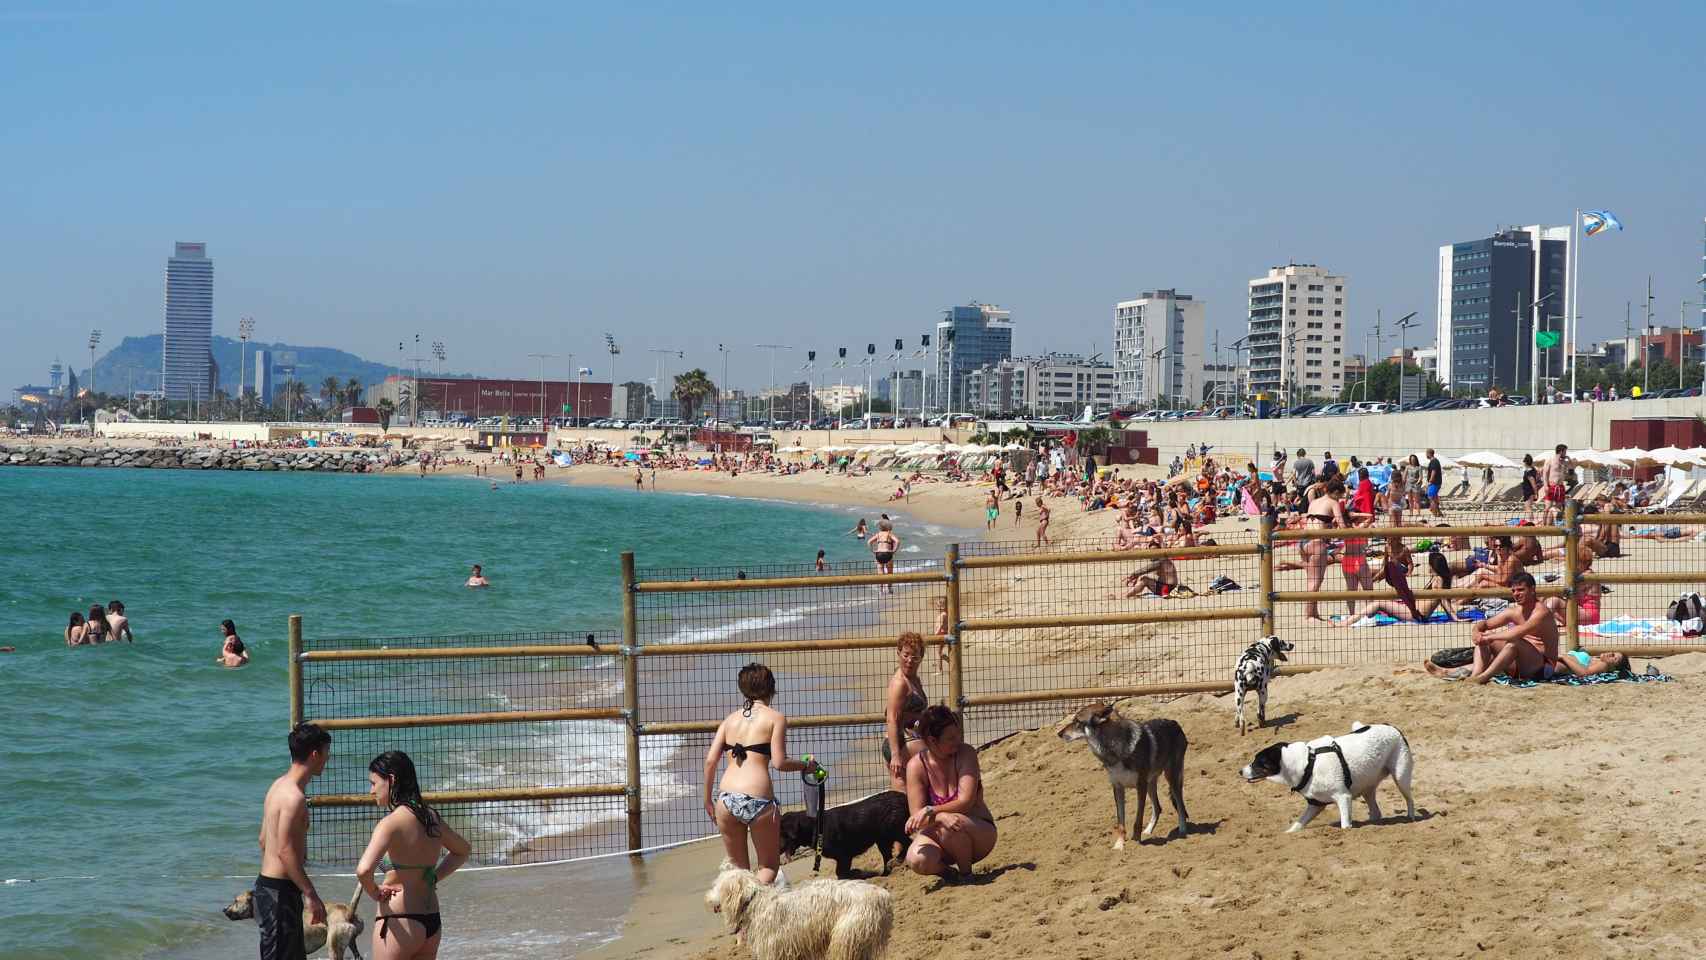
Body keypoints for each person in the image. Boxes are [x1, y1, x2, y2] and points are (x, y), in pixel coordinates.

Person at [701, 664, 820, 884]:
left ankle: (739, 908)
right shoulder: (775, 718)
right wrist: (806, 766)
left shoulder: (729, 720)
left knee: (739, 873)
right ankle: (751, 902)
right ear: (772, 688)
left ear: (743, 690)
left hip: (726, 800)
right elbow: (779, 762)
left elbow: (710, 761)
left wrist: (708, 800)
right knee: (768, 867)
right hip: (758, 801)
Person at [356, 751, 471, 960]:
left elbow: (363, 870)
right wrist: (434, 876)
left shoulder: (390, 823)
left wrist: (374, 892)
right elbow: (462, 850)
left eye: (374, 783)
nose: (371, 790)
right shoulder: (431, 817)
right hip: (431, 922)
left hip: (400, 920)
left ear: (391, 780)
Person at [256, 723, 332, 960]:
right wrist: (310, 894)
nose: (327, 759)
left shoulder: (277, 786)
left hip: (271, 890)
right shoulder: (294, 798)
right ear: (315, 754)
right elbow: (285, 851)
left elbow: (263, 840)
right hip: (280, 894)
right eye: (327, 753)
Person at [904, 706, 997, 882]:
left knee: (950, 826)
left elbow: (966, 802)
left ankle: (966, 874)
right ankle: (948, 874)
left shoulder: (966, 753)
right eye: (951, 738)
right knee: (917, 859)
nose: (958, 740)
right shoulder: (916, 766)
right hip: (939, 834)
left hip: (978, 832)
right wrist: (940, 816)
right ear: (932, 740)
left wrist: (932, 811)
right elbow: (916, 817)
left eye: (958, 735)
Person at [1440, 573, 1559, 684]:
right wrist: (1476, 632)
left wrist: (1489, 637)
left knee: (1513, 643)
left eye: (1521, 590)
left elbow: (1516, 633)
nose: (1516, 594)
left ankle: (1483, 678)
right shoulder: (1515, 611)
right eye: (1513, 591)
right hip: (1521, 664)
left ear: (1532, 590)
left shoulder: (1541, 613)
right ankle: (1475, 676)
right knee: (1484, 639)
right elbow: (1485, 624)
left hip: (1543, 668)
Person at [883, 633, 930, 791]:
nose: (910, 660)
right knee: (901, 793)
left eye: (915, 657)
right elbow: (891, 719)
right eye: (906, 655)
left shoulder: (914, 679)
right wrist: (895, 755)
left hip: (912, 739)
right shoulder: (899, 683)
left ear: (921, 657)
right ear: (898, 653)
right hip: (899, 742)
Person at [1301, 479, 1349, 621]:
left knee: (1311, 580)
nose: (1340, 498)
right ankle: (1309, 615)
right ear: (1335, 492)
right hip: (1317, 543)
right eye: (1340, 495)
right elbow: (1341, 524)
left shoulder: (1315, 501)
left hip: (1303, 542)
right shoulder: (1333, 502)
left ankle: (1314, 613)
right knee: (1316, 581)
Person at [1541, 443, 1571, 526]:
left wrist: (1569, 459)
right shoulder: (1550, 460)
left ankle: (1550, 524)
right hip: (1551, 486)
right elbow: (1545, 473)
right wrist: (1545, 485)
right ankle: (1544, 525)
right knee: (1547, 507)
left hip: (1560, 487)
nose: (1566, 454)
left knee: (1558, 508)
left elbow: (1572, 467)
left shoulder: (1564, 462)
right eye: (1565, 452)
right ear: (1561, 451)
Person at [869, 519, 900, 594]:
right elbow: (897, 541)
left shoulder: (878, 534)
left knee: (880, 572)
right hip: (887, 554)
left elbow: (869, 542)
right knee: (890, 572)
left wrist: (873, 551)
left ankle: (881, 590)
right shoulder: (889, 534)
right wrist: (894, 551)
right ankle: (889, 588)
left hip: (879, 554)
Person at [932, 597, 950, 671]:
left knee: (938, 652)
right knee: (939, 652)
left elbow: (941, 624)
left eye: (938, 606)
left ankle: (940, 670)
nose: (937, 608)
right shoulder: (942, 614)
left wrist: (936, 632)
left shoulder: (943, 614)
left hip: (941, 634)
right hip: (941, 633)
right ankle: (948, 660)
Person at [1424, 449, 1444, 517]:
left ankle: (1435, 513)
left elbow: (1433, 472)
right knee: (1434, 498)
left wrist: (1430, 482)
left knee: (1431, 498)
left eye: (1426, 453)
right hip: (1436, 483)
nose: (1426, 455)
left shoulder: (1434, 462)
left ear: (1429, 454)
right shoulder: (1435, 461)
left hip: (1434, 483)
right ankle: (1439, 513)